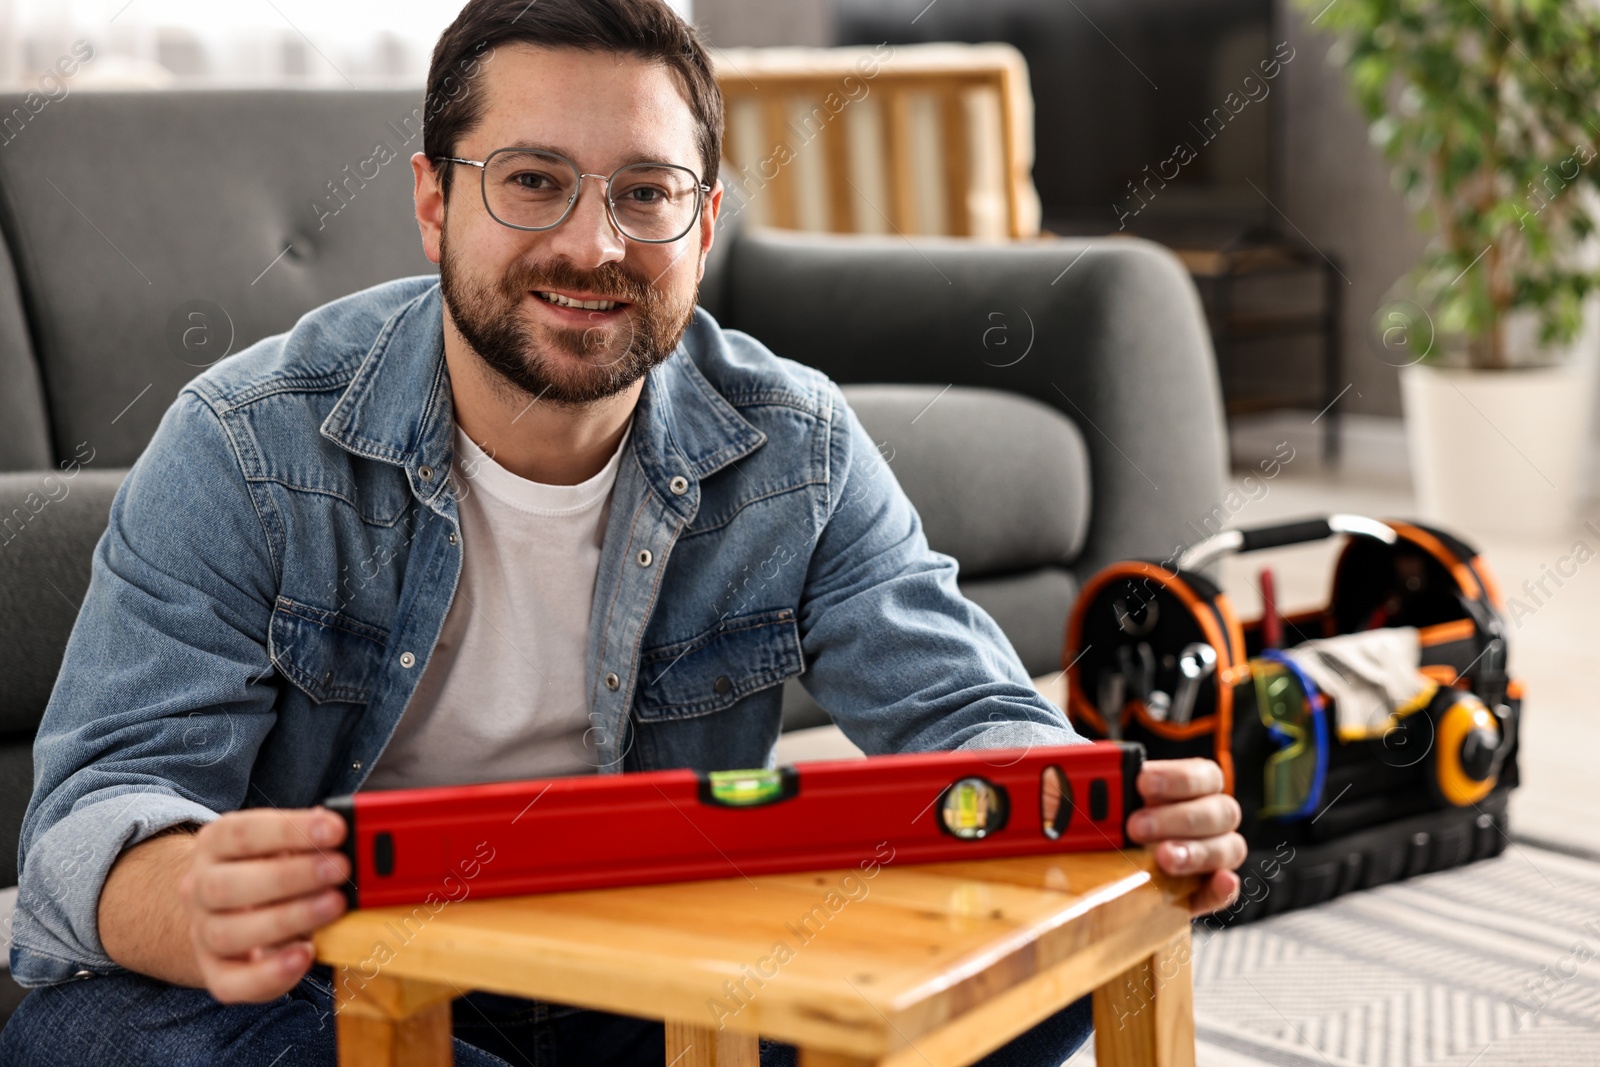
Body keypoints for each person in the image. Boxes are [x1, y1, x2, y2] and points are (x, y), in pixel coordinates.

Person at [0, 0, 1246, 1063]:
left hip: (651, 980)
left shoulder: (792, 446)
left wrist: (1103, 808)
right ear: (435, 204)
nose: (593, 246)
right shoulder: (245, 443)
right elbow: (90, 822)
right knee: (96, 1031)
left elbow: (976, 720)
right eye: (532, 180)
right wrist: (194, 900)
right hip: (340, 988)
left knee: (1058, 951)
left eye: (645, 193)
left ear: (702, 226)